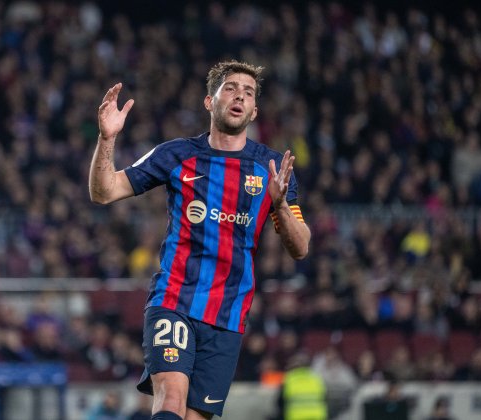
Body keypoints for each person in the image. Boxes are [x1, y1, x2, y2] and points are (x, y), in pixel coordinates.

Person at [89, 60, 311, 420]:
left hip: (227, 313)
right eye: (230, 88)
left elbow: (300, 248)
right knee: (171, 398)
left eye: (248, 92)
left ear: (254, 111)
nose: (239, 96)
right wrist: (106, 138)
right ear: (210, 101)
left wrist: (281, 203)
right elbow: (103, 192)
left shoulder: (271, 167)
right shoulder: (176, 155)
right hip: (174, 298)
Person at [273, 351, 327, 420]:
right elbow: (325, 399)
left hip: (295, 417)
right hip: (317, 417)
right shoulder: (317, 379)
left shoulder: (288, 379)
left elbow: (280, 403)